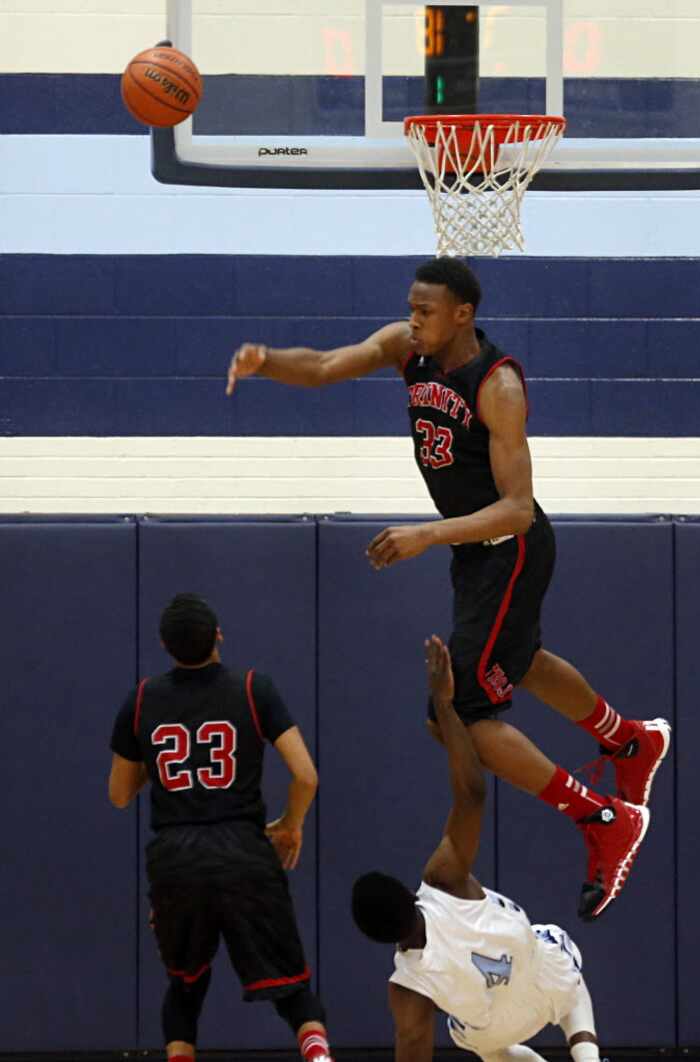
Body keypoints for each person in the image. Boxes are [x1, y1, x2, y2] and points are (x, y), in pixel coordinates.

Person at [226, 256, 670, 920]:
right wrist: (267, 363)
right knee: (517, 662)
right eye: (411, 307)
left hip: (511, 547)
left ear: (463, 314)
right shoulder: (409, 350)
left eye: (425, 310)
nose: (413, 319)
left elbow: (519, 507)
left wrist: (428, 535)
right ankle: (629, 740)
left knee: (456, 713)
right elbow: (321, 366)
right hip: (476, 553)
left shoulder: (498, 385)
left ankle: (603, 817)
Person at [352, 635, 604, 1062]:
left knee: (467, 1034)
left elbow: (412, 1045)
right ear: (405, 892)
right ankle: (587, 1056)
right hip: (546, 980)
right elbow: (471, 794)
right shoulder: (443, 882)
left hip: (492, 1028)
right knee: (558, 945)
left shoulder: (407, 988)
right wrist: (445, 705)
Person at [108, 593, 334, 1062]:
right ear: (218, 637)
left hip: (175, 856)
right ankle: (319, 1055)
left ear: (166, 647)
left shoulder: (143, 699)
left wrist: (158, 754)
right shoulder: (253, 689)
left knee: (186, 984)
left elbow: (119, 793)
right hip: (243, 849)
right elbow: (306, 775)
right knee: (291, 985)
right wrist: (291, 825)